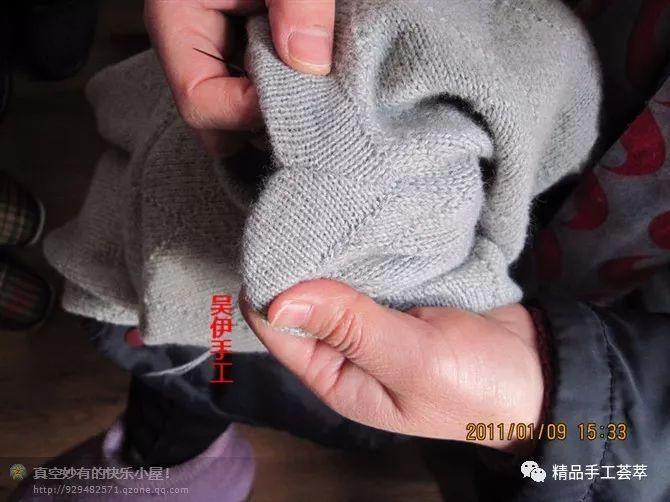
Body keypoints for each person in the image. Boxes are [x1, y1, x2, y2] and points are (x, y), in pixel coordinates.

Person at [146, 1, 670, 501]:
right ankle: (170, 453)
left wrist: (559, 412)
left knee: (215, 371)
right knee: (199, 375)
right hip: (405, 339)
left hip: (505, 353)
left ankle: (172, 456)